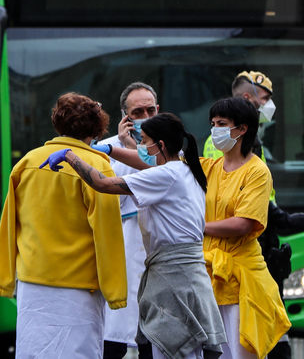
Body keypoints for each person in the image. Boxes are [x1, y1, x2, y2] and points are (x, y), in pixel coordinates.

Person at [50, 113, 227, 359]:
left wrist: (70, 156)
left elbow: (104, 184)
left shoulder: (166, 175)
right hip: (185, 275)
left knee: (172, 347)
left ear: (161, 145)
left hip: (174, 279)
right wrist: (110, 148)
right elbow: (143, 162)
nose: (140, 146)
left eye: (143, 141)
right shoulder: (184, 168)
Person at [0, 92, 127, 359]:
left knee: (34, 351)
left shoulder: (27, 163)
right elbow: (106, 233)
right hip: (78, 289)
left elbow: (8, 226)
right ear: (96, 129)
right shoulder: (98, 167)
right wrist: (116, 292)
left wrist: (3, 281)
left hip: (32, 285)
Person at [201, 96, 291, 359]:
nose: (215, 129)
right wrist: (117, 149)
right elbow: (163, 165)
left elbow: (244, 224)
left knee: (239, 353)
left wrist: (199, 227)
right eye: (213, 123)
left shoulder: (257, 172)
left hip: (242, 281)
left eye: (222, 123)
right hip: (211, 276)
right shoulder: (211, 167)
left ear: (242, 129)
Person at [96, 82, 161, 359]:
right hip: (120, 250)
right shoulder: (104, 150)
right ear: (125, 116)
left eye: (150, 109)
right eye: (138, 111)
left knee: (153, 337)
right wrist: (126, 147)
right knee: (115, 335)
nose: (145, 115)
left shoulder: (171, 151)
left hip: (157, 254)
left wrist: (138, 149)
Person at [202, 72, 276, 158]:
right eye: (265, 98)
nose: (269, 104)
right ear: (246, 98)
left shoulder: (216, 139)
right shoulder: (236, 139)